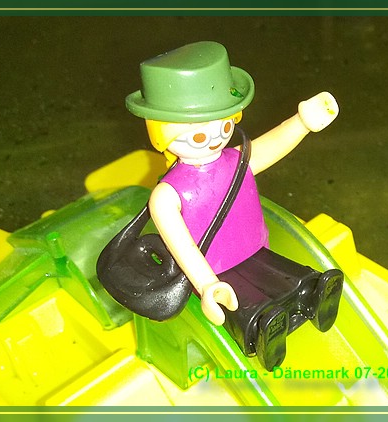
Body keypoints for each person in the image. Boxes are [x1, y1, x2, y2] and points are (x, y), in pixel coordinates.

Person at [124, 41, 343, 369]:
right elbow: (183, 248)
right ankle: (263, 330)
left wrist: (301, 122)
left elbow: (271, 145)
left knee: (283, 274)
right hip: (216, 267)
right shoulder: (168, 195)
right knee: (244, 303)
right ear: (162, 135)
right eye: (199, 136)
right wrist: (206, 285)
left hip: (254, 245)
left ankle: (311, 292)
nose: (215, 138)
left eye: (225, 126)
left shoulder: (236, 160)